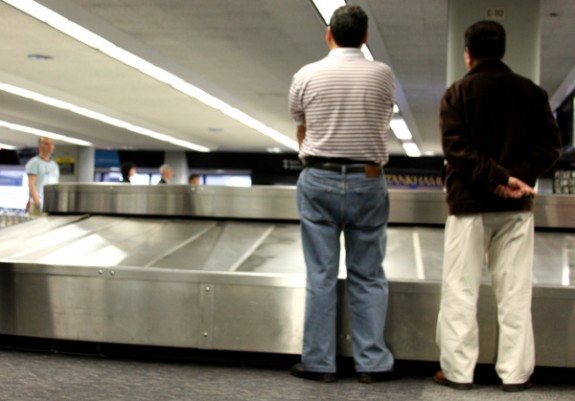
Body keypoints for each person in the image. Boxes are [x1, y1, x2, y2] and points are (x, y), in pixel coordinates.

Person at [434, 20, 562, 392]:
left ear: (468, 53)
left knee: (460, 290)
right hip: (517, 209)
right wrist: (515, 179)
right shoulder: (532, 94)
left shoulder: (457, 93)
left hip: (468, 205)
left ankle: (458, 373)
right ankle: (515, 374)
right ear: (503, 50)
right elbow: (550, 146)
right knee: (515, 292)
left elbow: (457, 150)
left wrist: (498, 178)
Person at [288, 5, 396, 384]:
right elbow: (383, 119)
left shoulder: (307, 74)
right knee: (368, 275)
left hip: (319, 177)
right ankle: (372, 363)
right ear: (365, 37)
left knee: (320, 274)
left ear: (328, 33)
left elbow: (301, 123)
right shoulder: (382, 74)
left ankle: (319, 363)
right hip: (368, 179)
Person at [25, 136, 59, 216]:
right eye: (46, 144)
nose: (50, 146)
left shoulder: (54, 165)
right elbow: (31, 183)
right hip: (38, 203)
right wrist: (37, 201)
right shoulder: (34, 163)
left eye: (51, 144)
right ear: (40, 146)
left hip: (51, 204)